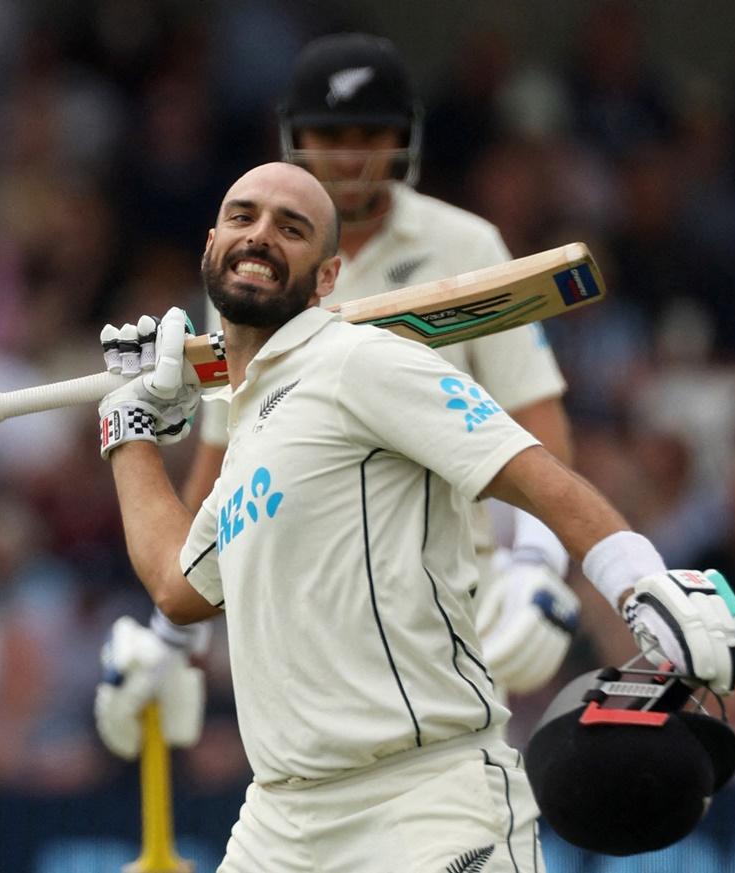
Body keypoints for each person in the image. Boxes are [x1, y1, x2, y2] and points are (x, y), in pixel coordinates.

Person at [94, 160, 735, 871]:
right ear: (210, 245)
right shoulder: (253, 421)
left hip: (423, 801)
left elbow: (531, 473)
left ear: (327, 277)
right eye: (243, 217)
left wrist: (639, 579)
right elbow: (177, 583)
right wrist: (128, 429)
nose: (260, 235)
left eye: (292, 227)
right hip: (280, 820)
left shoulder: (362, 362)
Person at [96, 32, 583, 763]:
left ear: (404, 139)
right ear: (296, 139)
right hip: (302, 604)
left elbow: (536, 418)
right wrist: (175, 633)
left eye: (371, 134)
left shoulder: (467, 245)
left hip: (442, 592)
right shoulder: (251, 265)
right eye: (330, 135)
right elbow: (226, 457)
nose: (351, 156)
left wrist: (538, 559)